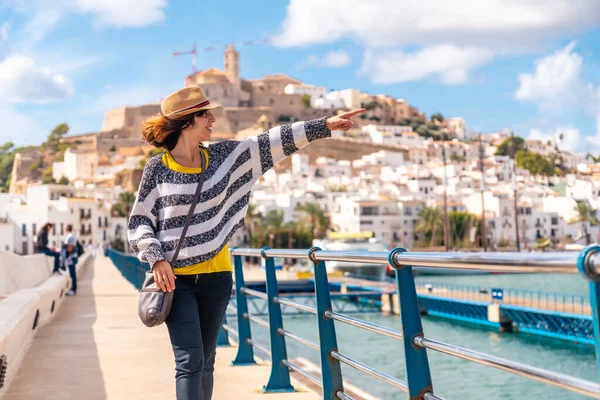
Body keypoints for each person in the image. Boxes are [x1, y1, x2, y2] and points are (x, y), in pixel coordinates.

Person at [127, 85, 364, 400]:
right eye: (205, 114)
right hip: (175, 281)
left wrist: (326, 126)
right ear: (187, 121)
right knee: (189, 362)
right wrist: (155, 258)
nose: (212, 119)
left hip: (217, 278)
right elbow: (139, 220)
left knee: (207, 362)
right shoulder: (157, 170)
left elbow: (272, 141)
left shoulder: (225, 157)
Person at [61, 224, 78, 296]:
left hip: (71, 258)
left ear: (66, 229)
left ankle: (73, 290)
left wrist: (64, 251)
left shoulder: (70, 237)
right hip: (72, 257)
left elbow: (70, 248)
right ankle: (73, 289)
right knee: (72, 274)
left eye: (64, 228)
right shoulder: (72, 236)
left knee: (72, 274)